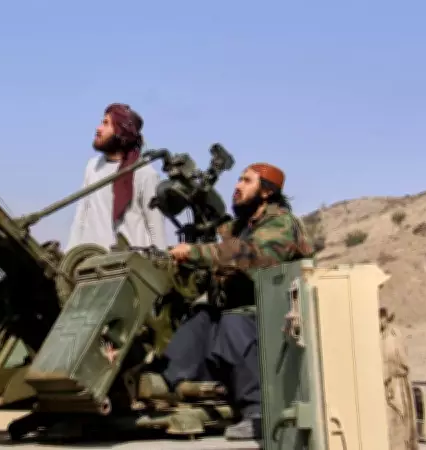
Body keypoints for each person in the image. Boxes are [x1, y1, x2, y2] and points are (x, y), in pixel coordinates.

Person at [138, 162, 315, 440]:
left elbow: (252, 257)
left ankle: (258, 412)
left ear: (266, 192)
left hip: (277, 314)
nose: (237, 186)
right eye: (238, 180)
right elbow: (217, 249)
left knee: (234, 323)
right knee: (200, 317)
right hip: (241, 312)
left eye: (247, 181)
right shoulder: (237, 227)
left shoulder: (281, 223)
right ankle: (168, 384)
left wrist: (195, 253)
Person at [66, 103, 167, 252]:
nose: (98, 129)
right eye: (101, 122)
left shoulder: (144, 172)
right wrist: (69, 254)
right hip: (92, 259)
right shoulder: (92, 166)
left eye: (106, 124)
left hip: (130, 262)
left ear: (122, 133)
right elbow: (81, 216)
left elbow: (155, 226)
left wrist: (161, 260)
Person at [380, 307, 419, 450]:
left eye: (382, 317)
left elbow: (404, 366)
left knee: (399, 425)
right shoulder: (374, 337)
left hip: (396, 387)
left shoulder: (395, 336)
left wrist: (389, 372)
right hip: (381, 388)